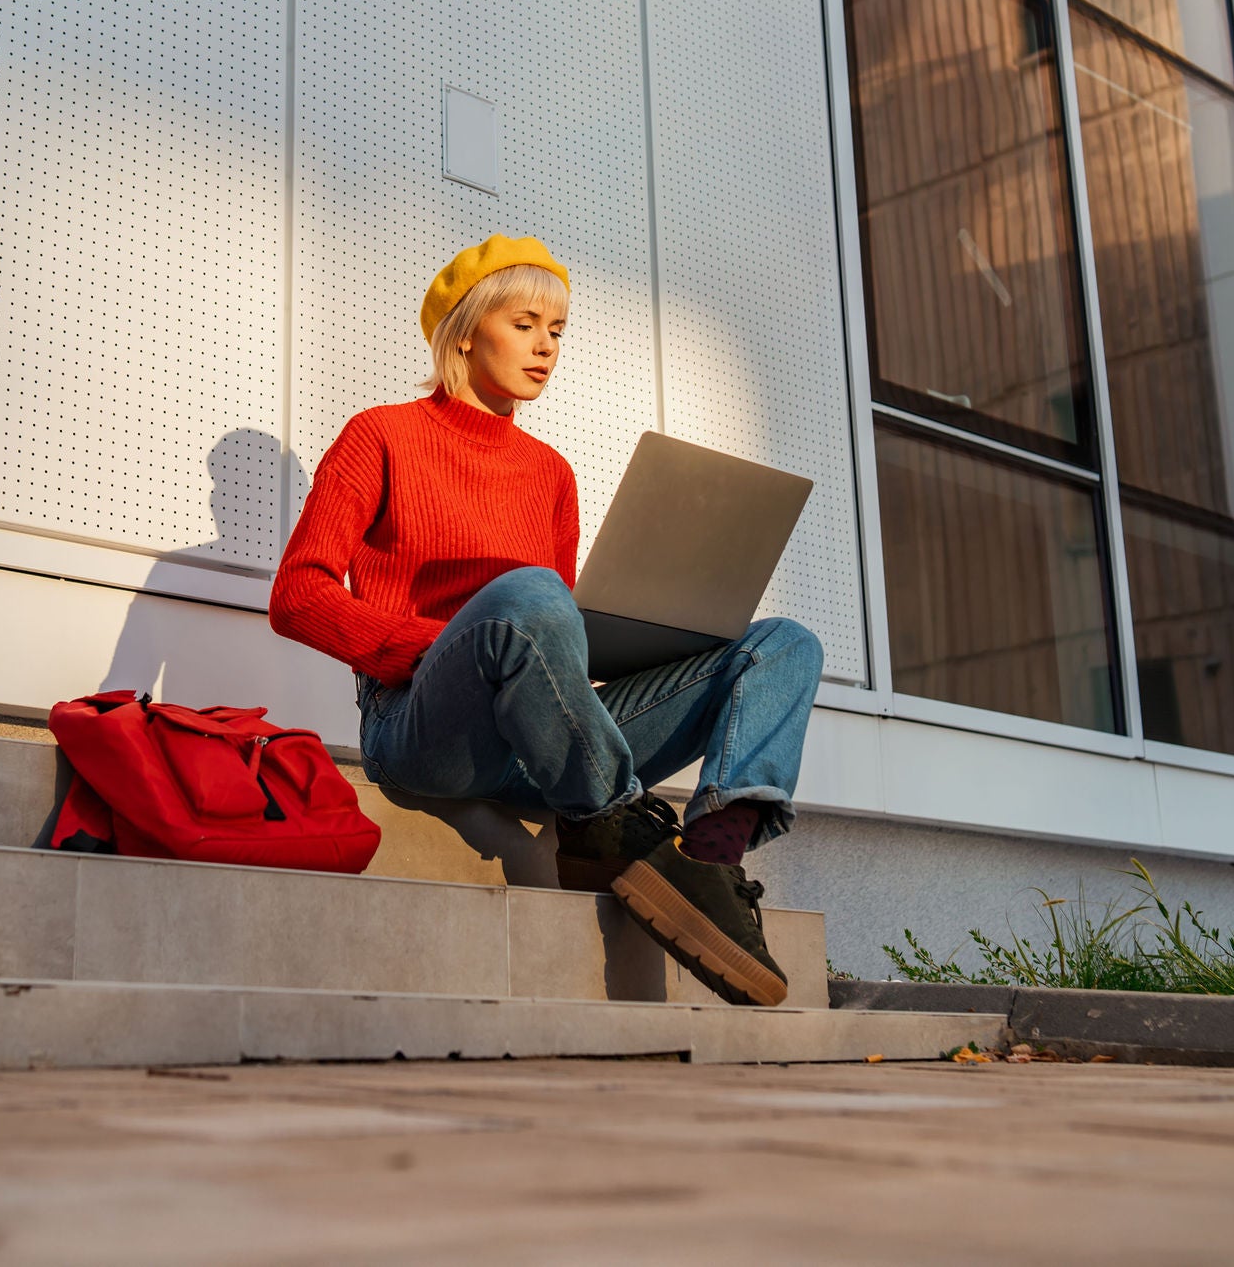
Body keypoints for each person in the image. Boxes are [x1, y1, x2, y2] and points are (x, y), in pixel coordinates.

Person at [268, 235, 822, 1007]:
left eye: (557, 331)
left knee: (784, 644)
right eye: (526, 322)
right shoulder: (380, 435)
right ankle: (614, 823)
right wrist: (442, 647)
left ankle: (710, 854)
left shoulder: (551, 474)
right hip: (422, 727)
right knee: (530, 594)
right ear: (465, 329)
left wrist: (652, 640)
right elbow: (297, 594)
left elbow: (553, 631)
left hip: (545, 737)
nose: (546, 346)